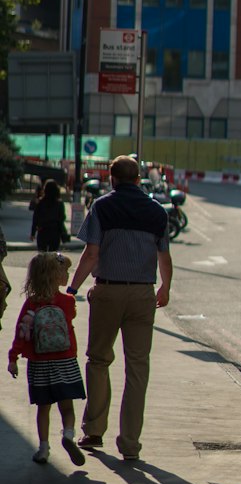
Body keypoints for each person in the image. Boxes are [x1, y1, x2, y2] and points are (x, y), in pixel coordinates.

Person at [66, 154, 172, 463]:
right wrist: (165, 286)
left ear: (112, 179)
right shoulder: (157, 211)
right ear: (139, 179)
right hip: (142, 295)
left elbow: (91, 253)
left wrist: (72, 289)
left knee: (99, 360)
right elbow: (164, 257)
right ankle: (130, 444)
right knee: (138, 367)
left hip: (109, 292)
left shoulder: (102, 206)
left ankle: (94, 430)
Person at [7, 253, 86, 467]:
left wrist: (13, 358)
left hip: (39, 362)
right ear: (56, 276)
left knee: (43, 408)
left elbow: (21, 331)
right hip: (65, 360)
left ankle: (43, 448)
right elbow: (70, 319)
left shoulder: (32, 303)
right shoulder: (66, 302)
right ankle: (68, 434)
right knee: (66, 406)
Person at [30, 177, 68, 252]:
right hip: (55, 232)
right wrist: (63, 233)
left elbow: (35, 218)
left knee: (42, 256)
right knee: (52, 256)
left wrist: (33, 233)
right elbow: (61, 219)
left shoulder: (40, 203)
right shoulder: (59, 204)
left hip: (42, 231)